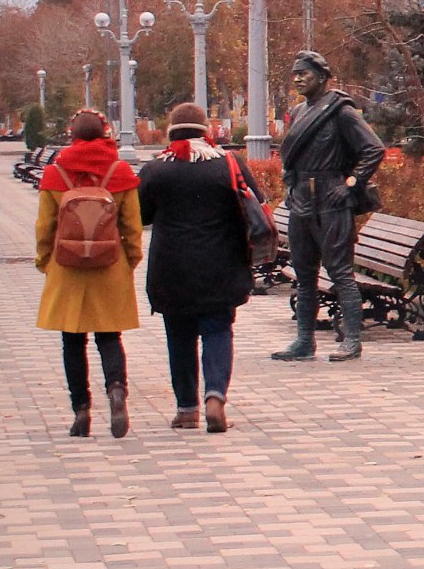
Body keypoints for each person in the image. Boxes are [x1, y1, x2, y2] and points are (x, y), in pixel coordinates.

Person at [139, 102, 260, 432]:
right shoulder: (228, 163)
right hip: (220, 268)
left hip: (171, 270)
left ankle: (187, 409)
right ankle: (215, 397)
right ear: (206, 130)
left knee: (179, 337)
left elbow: (139, 215)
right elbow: (255, 203)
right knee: (218, 330)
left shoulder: (156, 169)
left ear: (171, 132)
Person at [270, 50, 383, 363]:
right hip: (301, 202)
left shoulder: (341, 111)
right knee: (305, 276)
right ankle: (304, 342)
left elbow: (373, 149)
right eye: (295, 73)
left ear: (321, 76)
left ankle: (352, 340)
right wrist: (290, 182)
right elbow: (290, 156)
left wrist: (350, 183)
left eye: (304, 73)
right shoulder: (299, 110)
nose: (298, 78)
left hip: (331, 202)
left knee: (340, 272)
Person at [35, 109, 143, 437]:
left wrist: (45, 261)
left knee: (72, 341)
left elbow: (44, 226)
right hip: (110, 266)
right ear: (104, 133)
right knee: (109, 337)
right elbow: (132, 227)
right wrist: (129, 262)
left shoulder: (56, 173)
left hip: (67, 269)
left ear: (72, 135)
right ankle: (116, 389)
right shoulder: (120, 172)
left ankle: (81, 411)